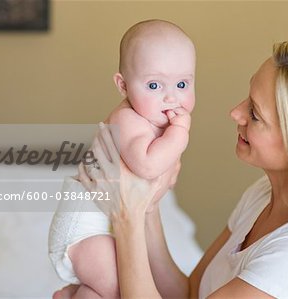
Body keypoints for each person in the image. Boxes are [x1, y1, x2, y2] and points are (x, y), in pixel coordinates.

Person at [67, 41, 288, 298]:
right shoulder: (265, 194)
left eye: (254, 114)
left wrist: (127, 220)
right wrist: (147, 207)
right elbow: (190, 292)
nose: (235, 112)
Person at [48, 19, 196, 299]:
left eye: (182, 83)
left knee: (115, 287)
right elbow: (147, 164)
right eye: (154, 85)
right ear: (123, 86)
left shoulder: (151, 123)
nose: (171, 97)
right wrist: (180, 133)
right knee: (123, 288)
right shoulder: (127, 119)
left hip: (104, 231)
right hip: (81, 232)